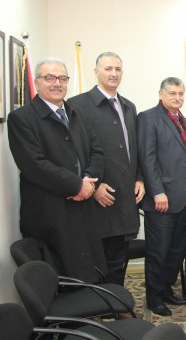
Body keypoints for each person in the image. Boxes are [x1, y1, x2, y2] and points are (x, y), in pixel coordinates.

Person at [7, 57, 105, 283]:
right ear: (37, 82)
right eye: (49, 78)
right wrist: (76, 185)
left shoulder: (77, 113)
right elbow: (34, 165)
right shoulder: (21, 118)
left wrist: (88, 180)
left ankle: (91, 302)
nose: (57, 83)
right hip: (50, 212)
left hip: (83, 206)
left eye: (62, 78)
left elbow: (97, 152)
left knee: (89, 271)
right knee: (61, 278)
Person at [69, 52, 145, 286]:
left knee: (118, 260)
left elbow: (135, 148)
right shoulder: (77, 105)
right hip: (97, 199)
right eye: (108, 68)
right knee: (98, 263)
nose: (113, 73)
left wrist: (140, 178)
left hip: (125, 198)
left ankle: (117, 301)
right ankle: (102, 303)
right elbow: (73, 152)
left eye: (118, 69)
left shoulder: (128, 106)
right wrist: (94, 186)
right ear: (96, 72)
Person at [137, 77, 186, 316]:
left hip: (184, 199)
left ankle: (167, 290)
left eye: (181, 93)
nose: (177, 98)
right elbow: (147, 158)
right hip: (162, 199)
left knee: (176, 251)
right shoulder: (148, 118)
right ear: (161, 94)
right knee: (158, 252)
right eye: (172, 93)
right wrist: (157, 192)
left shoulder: (182, 119)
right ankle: (154, 298)